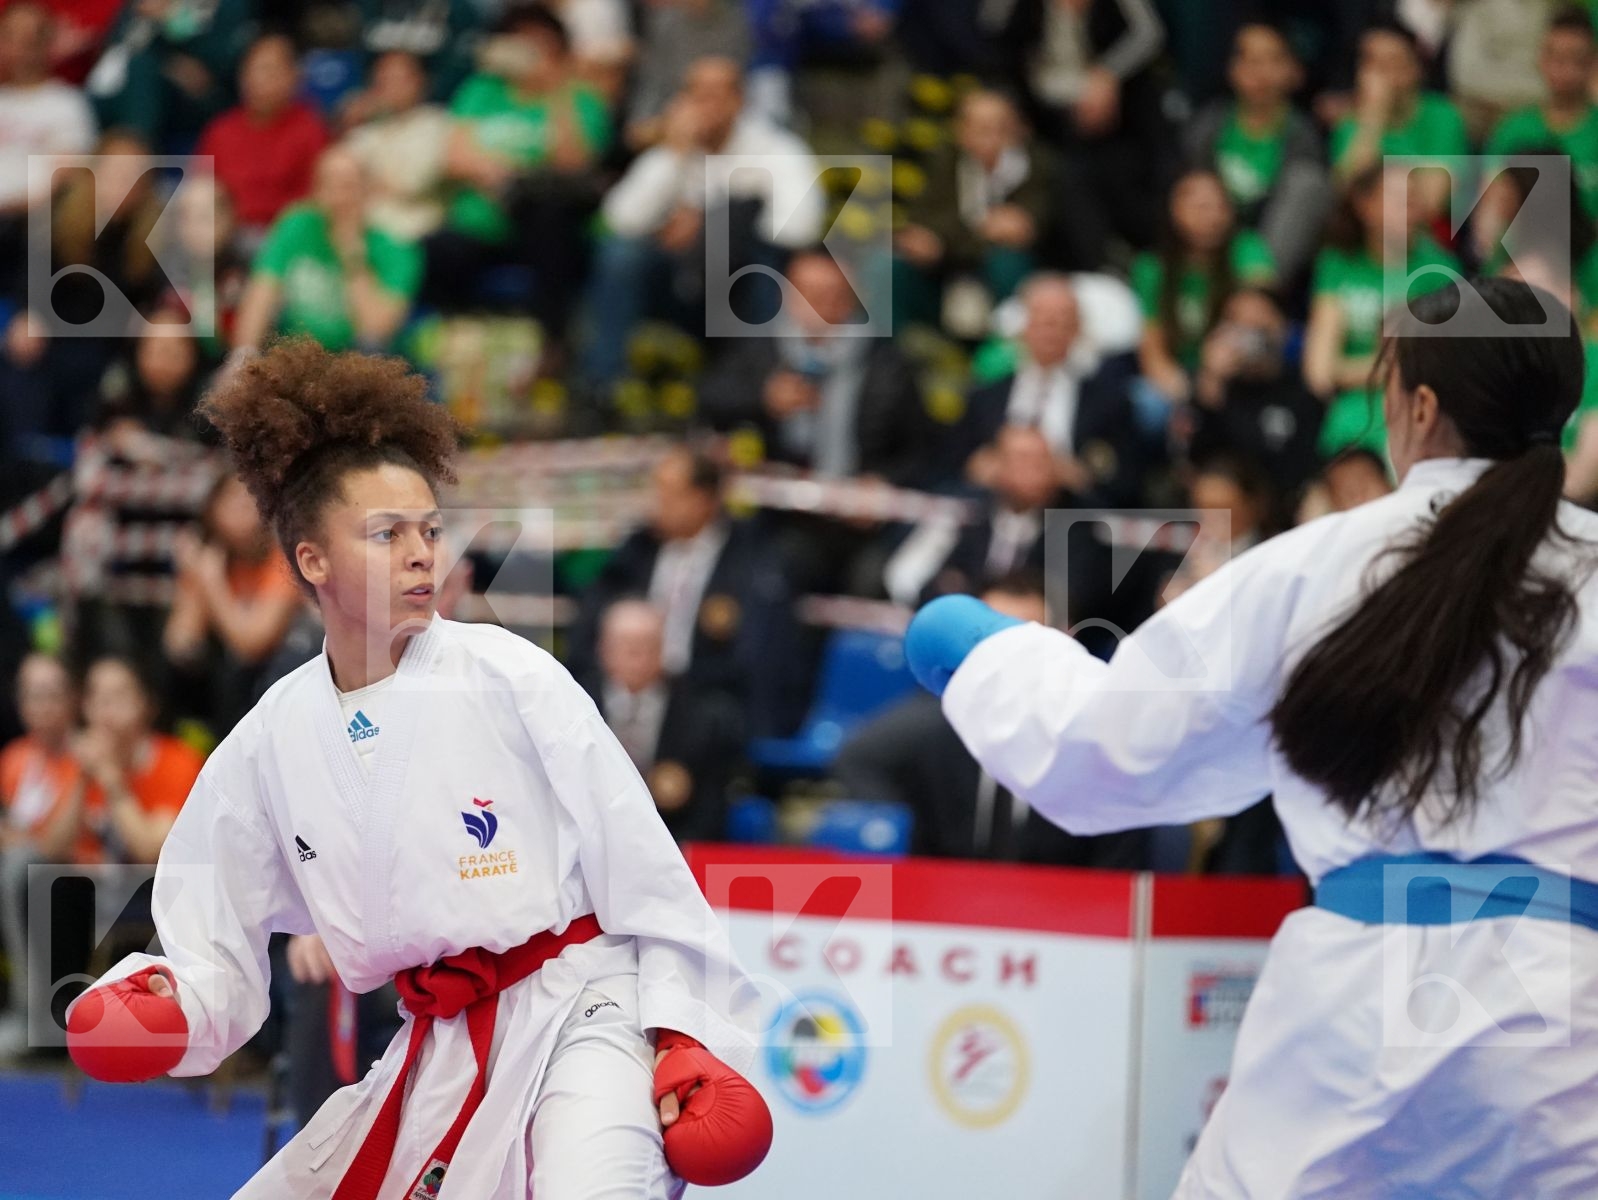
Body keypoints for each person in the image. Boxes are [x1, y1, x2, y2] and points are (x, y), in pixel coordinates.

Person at [903, 276, 1598, 1197]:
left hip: (1352, 1016)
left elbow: (1110, 750)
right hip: (1564, 1026)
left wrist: (984, 654)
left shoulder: (1317, 567)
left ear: (1421, 408)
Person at [63, 340, 771, 1198]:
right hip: (439, 1041)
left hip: (588, 1011)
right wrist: (167, 1006)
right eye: (386, 534)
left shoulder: (510, 675)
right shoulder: (270, 739)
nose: (420, 553)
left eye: (430, 530)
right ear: (312, 561)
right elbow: (212, 931)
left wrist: (688, 1036)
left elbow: (647, 872)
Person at [836, 572, 1148, 868]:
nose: (1003, 662)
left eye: (1021, 643)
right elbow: (856, 759)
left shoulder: (1103, 748)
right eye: (986, 644)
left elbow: (1119, 878)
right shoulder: (933, 731)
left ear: (1064, 641)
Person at [940, 272, 1143, 503]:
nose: (1051, 331)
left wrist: (1079, 477)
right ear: (1022, 325)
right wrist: (979, 468)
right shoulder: (985, 395)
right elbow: (948, 464)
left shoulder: (1109, 401)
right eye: (1043, 320)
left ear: (1078, 329)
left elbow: (1127, 481)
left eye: (1062, 321)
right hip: (992, 509)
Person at [1303, 162, 1460, 459]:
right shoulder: (1338, 263)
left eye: (1413, 198)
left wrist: (1351, 369)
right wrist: (1391, 367)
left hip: (1419, 409)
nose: (1409, 208)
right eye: (1397, 199)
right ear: (1365, 206)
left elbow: (1442, 367)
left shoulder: (1440, 268)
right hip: (1354, 411)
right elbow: (1319, 373)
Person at [582, 599, 744, 844]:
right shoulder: (575, 702)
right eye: (624, 644)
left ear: (663, 650)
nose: (635, 654)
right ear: (602, 649)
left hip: (671, 843)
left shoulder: (701, 716)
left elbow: (709, 808)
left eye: (645, 644)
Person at [233, 146, 423, 355]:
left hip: (359, 361)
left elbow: (376, 330)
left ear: (368, 191)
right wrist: (243, 354)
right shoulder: (297, 224)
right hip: (297, 354)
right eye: (328, 185)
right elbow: (260, 295)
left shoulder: (397, 251)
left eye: (348, 186)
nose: (337, 197)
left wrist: (351, 251)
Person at [1183, 21, 1329, 284]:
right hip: (1210, 243)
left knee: (1308, 182)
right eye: (1250, 60)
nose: (1260, 72)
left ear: (1293, 71)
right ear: (1232, 69)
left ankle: (1258, 290)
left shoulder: (1303, 137)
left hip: (1270, 254)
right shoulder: (1208, 126)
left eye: (1272, 60)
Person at [162, 472, 302, 739]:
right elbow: (181, 644)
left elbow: (252, 645)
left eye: (250, 498)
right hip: (227, 687)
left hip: (278, 676)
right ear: (212, 509)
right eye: (232, 499)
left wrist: (212, 582)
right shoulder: (210, 558)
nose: (242, 507)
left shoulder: (281, 559)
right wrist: (194, 583)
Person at [1132, 168, 1276, 408]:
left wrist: (1216, 368)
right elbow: (1152, 348)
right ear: (1175, 210)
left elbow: (1259, 308)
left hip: (1240, 366)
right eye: (1202, 208)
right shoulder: (1152, 267)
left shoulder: (1246, 248)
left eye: (1221, 207)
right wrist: (1186, 391)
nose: (1214, 217)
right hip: (1183, 374)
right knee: (1147, 402)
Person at [0, 654, 83, 1057]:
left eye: (53, 694)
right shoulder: (15, 758)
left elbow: (56, 844)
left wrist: (24, 840)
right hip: (26, 876)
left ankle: (30, 1016)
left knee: (20, 868)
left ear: (73, 699)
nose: (44, 706)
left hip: (79, 880)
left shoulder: (84, 756)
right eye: (34, 696)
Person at [194, 34, 331, 240]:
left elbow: (317, 199)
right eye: (252, 70)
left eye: (269, 70)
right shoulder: (221, 130)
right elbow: (203, 188)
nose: (258, 79)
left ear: (293, 76)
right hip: (227, 237)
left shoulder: (311, 130)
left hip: (286, 237)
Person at [73, 656, 204, 867]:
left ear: (147, 704)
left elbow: (151, 852)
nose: (106, 708)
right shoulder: (79, 759)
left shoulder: (179, 762)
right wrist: (80, 782)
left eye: (119, 696)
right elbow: (50, 851)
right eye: (96, 697)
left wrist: (113, 785)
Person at [1485, 8, 1598, 219]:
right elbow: (1491, 210)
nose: (1564, 69)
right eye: (1556, 57)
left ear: (1592, 63)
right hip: (1522, 238)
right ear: (1541, 59)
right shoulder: (1513, 128)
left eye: (1575, 59)